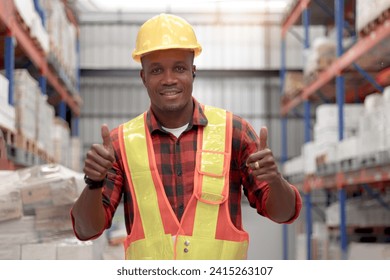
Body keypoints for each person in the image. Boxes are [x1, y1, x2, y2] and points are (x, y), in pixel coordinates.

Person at [71, 13, 302, 260]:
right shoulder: (120, 143)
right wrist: (93, 183)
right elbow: (86, 230)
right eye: (157, 70)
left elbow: (283, 214)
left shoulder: (235, 132)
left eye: (179, 68)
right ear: (143, 77)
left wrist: (275, 180)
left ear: (193, 71)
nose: (169, 79)